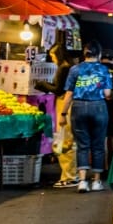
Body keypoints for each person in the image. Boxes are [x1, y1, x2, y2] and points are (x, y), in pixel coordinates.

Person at [59, 40, 112, 193]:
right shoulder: (103, 70)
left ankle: (82, 181)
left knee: (82, 145)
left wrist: (63, 114)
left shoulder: (75, 70)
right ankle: (96, 181)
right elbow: (108, 94)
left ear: (85, 53)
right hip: (98, 107)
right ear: (99, 54)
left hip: (79, 107)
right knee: (98, 146)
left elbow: (69, 94)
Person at [34, 42, 78, 188]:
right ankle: (70, 174)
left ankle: (69, 176)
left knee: (65, 140)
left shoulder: (63, 68)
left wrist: (41, 84)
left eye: (52, 55)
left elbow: (58, 89)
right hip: (68, 103)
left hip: (65, 103)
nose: (51, 58)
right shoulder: (69, 67)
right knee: (67, 139)